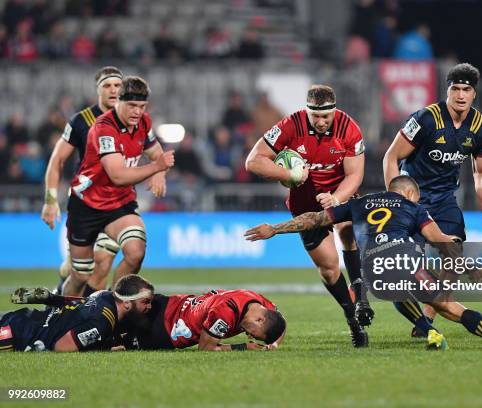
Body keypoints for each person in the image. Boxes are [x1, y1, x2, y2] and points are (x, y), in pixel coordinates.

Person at [245, 176, 482, 352]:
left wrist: (275, 228)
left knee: (396, 292)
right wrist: (471, 268)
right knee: (451, 307)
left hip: (374, 268)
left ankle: (429, 329)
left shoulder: (358, 204)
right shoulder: (414, 207)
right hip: (406, 259)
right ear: (409, 194)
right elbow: (442, 241)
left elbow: (314, 219)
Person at [245, 84, 371, 348]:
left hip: (340, 194)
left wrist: (336, 198)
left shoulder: (350, 129)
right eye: (317, 117)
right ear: (308, 111)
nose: (322, 122)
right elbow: (254, 161)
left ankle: (361, 299)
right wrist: (288, 175)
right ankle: (352, 318)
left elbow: (355, 175)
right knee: (328, 268)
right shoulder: (291, 125)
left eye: (327, 116)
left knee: (348, 231)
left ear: (334, 111)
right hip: (304, 205)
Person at [382, 62, 482, 336]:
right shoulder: (425, 119)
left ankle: (428, 319)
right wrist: (395, 199)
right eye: (455, 89)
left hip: (445, 197)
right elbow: (391, 157)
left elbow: (481, 173)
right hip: (413, 197)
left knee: (453, 256)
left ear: (474, 94)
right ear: (447, 90)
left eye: (466, 90)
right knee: (408, 269)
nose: (460, 95)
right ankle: (424, 316)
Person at [41, 67, 159, 297]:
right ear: (98, 90)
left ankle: (100, 313)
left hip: (117, 204)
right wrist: (50, 199)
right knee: (85, 271)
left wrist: (159, 171)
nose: (113, 89)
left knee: (104, 263)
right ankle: (70, 303)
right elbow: (57, 160)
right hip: (88, 202)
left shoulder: (137, 120)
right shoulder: (81, 121)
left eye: (117, 85)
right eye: (107, 85)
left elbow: (152, 151)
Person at [1, 275, 154, 352]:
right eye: (145, 302)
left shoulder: (103, 296)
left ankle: (51, 297)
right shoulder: (102, 323)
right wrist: (106, 348)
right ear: (127, 303)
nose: (150, 307)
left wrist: (53, 299)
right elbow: (61, 347)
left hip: (25, 318)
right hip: (17, 334)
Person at [121, 289, 286, 351]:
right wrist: (243, 347)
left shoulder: (260, 303)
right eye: (254, 334)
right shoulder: (225, 313)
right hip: (163, 330)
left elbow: (280, 322)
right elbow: (206, 347)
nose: (249, 336)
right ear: (260, 320)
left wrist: (275, 344)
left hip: (169, 302)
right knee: (113, 340)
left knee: (118, 314)